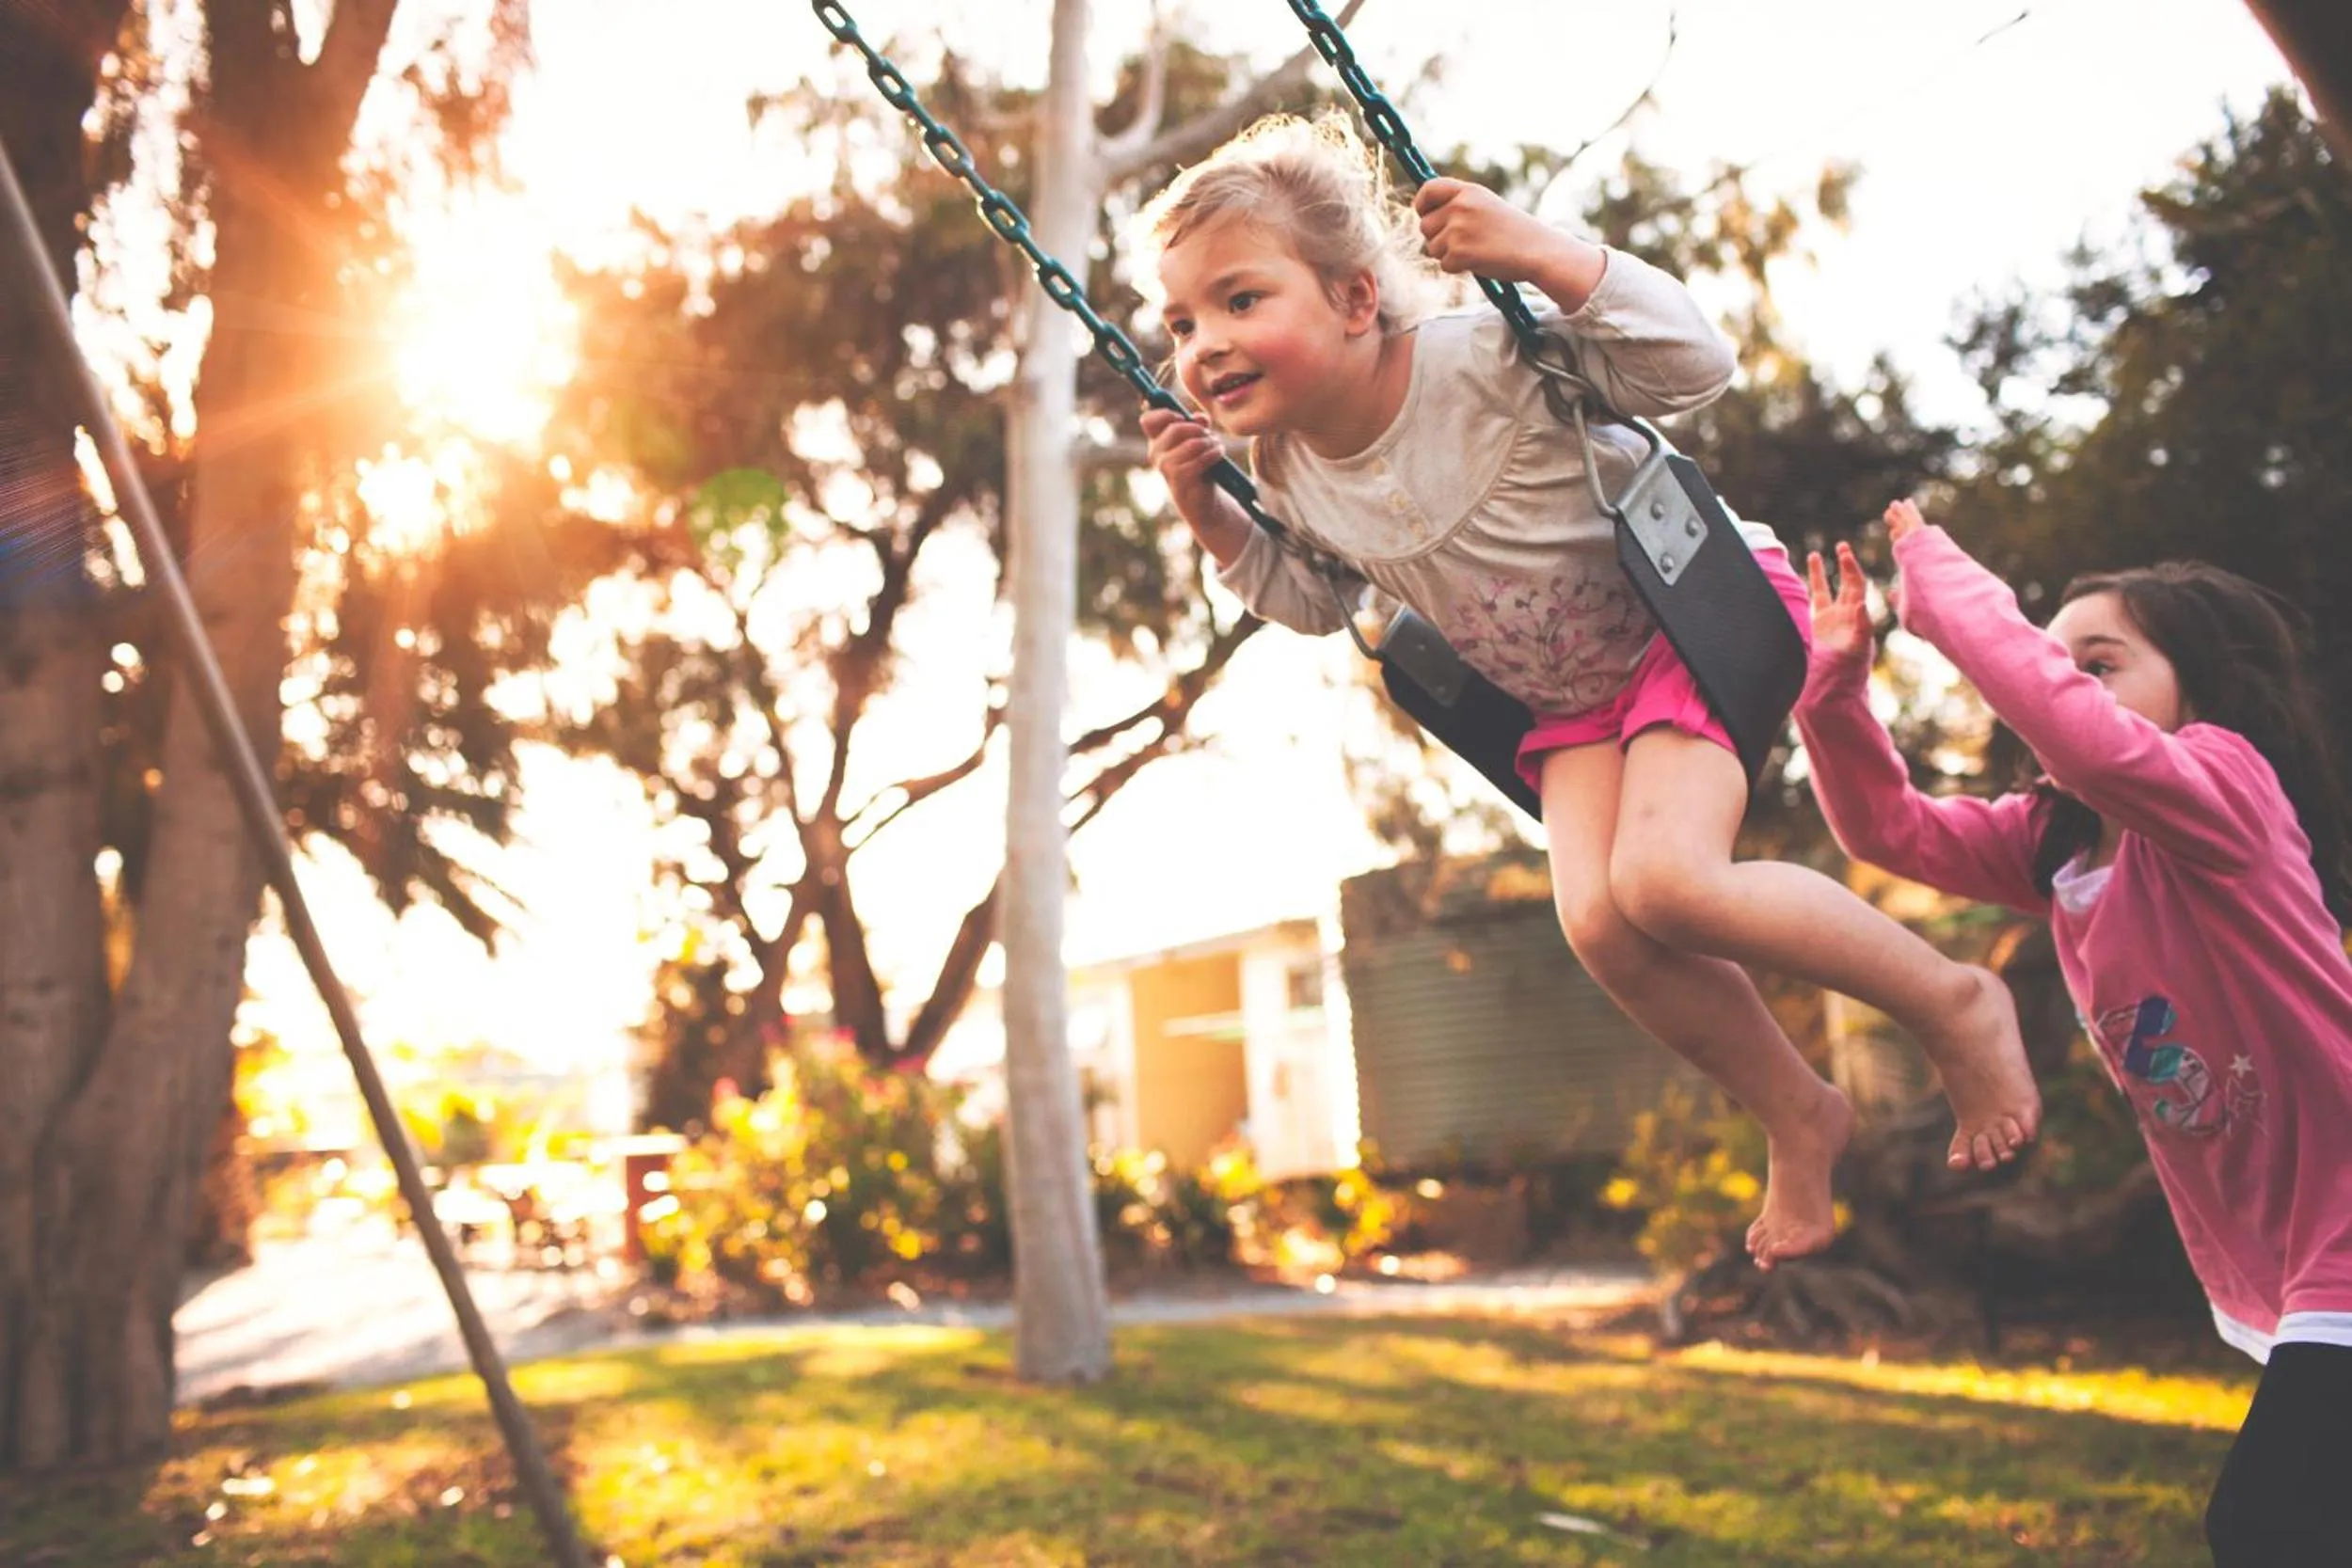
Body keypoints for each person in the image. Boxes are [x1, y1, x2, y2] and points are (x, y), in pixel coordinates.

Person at [1131, 114, 2039, 1269]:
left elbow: (1692, 363)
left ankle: (1952, 999)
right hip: (1564, 702)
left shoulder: (1479, 356)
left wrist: (1538, 251)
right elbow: (1309, 600)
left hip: (1688, 612)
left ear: (1356, 299)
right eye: (1181, 321)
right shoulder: (1284, 473)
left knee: (1667, 880)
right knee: (1605, 927)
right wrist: (1208, 513)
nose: (1203, 343)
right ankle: (1797, 1111)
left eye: (1239, 299)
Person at [1801, 499, 2352, 1564]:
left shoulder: (2227, 786)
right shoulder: (2056, 847)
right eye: (2048, 666)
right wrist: (1832, 695)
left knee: (2265, 1524)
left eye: (2096, 665)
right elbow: (1889, 827)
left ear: (2200, 691)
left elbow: (2094, 747)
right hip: (2293, 1251)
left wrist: (1942, 588)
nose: (2053, 688)